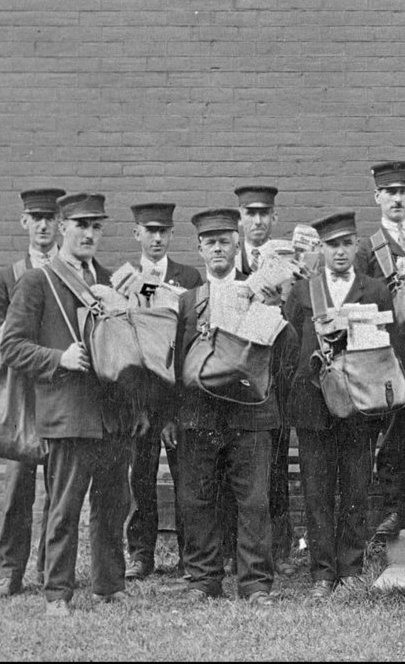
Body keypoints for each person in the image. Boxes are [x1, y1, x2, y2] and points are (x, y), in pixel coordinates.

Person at [1, 192, 133, 616]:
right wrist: (58, 358)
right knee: (64, 509)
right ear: (62, 228)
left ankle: (109, 585)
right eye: (81, 225)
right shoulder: (38, 281)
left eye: (96, 226)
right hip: (68, 415)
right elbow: (12, 347)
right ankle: (57, 592)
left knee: (112, 505)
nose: (89, 234)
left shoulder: (111, 281)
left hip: (111, 414)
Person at [167, 207, 288, 606]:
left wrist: (274, 309)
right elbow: (174, 360)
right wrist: (171, 414)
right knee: (197, 499)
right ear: (200, 250)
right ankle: (204, 580)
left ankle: (255, 585)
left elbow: (285, 352)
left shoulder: (262, 290)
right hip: (199, 415)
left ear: (238, 244)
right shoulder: (188, 300)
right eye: (210, 243)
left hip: (251, 414)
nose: (217, 249)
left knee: (254, 501)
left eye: (224, 241)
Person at [285, 212, 402, 600]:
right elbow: (288, 352)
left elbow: (388, 351)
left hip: (358, 404)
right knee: (317, 491)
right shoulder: (305, 292)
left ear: (356, 246)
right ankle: (322, 573)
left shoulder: (375, 289)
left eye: (346, 243)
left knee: (355, 487)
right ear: (320, 248)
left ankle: (350, 569)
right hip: (314, 406)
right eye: (331, 245)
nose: (339, 252)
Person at [0, 187, 64, 599]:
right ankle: (10, 571)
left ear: (60, 224)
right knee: (18, 488)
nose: (44, 226)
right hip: (21, 396)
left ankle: (51, 569)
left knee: (58, 485)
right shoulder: (9, 275)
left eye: (50, 218)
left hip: (59, 393)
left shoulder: (69, 271)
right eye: (37, 218)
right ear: (25, 224)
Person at [123, 202, 202, 582]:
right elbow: (122, 346)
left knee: (188, 479)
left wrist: (176, 410)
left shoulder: (188, 277)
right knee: (140, 478)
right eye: (148, 231)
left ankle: (191, 555)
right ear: (136, 233)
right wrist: (136, 405)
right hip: (141, 401)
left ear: (171, 235)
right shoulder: (125, 279)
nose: (156, 238)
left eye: (163, 232)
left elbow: (191, 346)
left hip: (177, 400)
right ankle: (140, 554)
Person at [353, 160, 405, 540]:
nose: (397, 199)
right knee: (395, 430)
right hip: (392, 352)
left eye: (403, 192)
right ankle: (396, 508)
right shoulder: (368, 247)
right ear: (377, 197)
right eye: (390, 193)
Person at [229, 185, 295, 577]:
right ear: (239, 219)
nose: (257, 221)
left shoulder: (285, 263)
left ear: (274, 218)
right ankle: (231, 550)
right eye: (249, 214)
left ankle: (280, 549)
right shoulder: (227, 264)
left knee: (276, 467)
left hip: (274, 382)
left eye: (264, 214)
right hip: (234, 380)